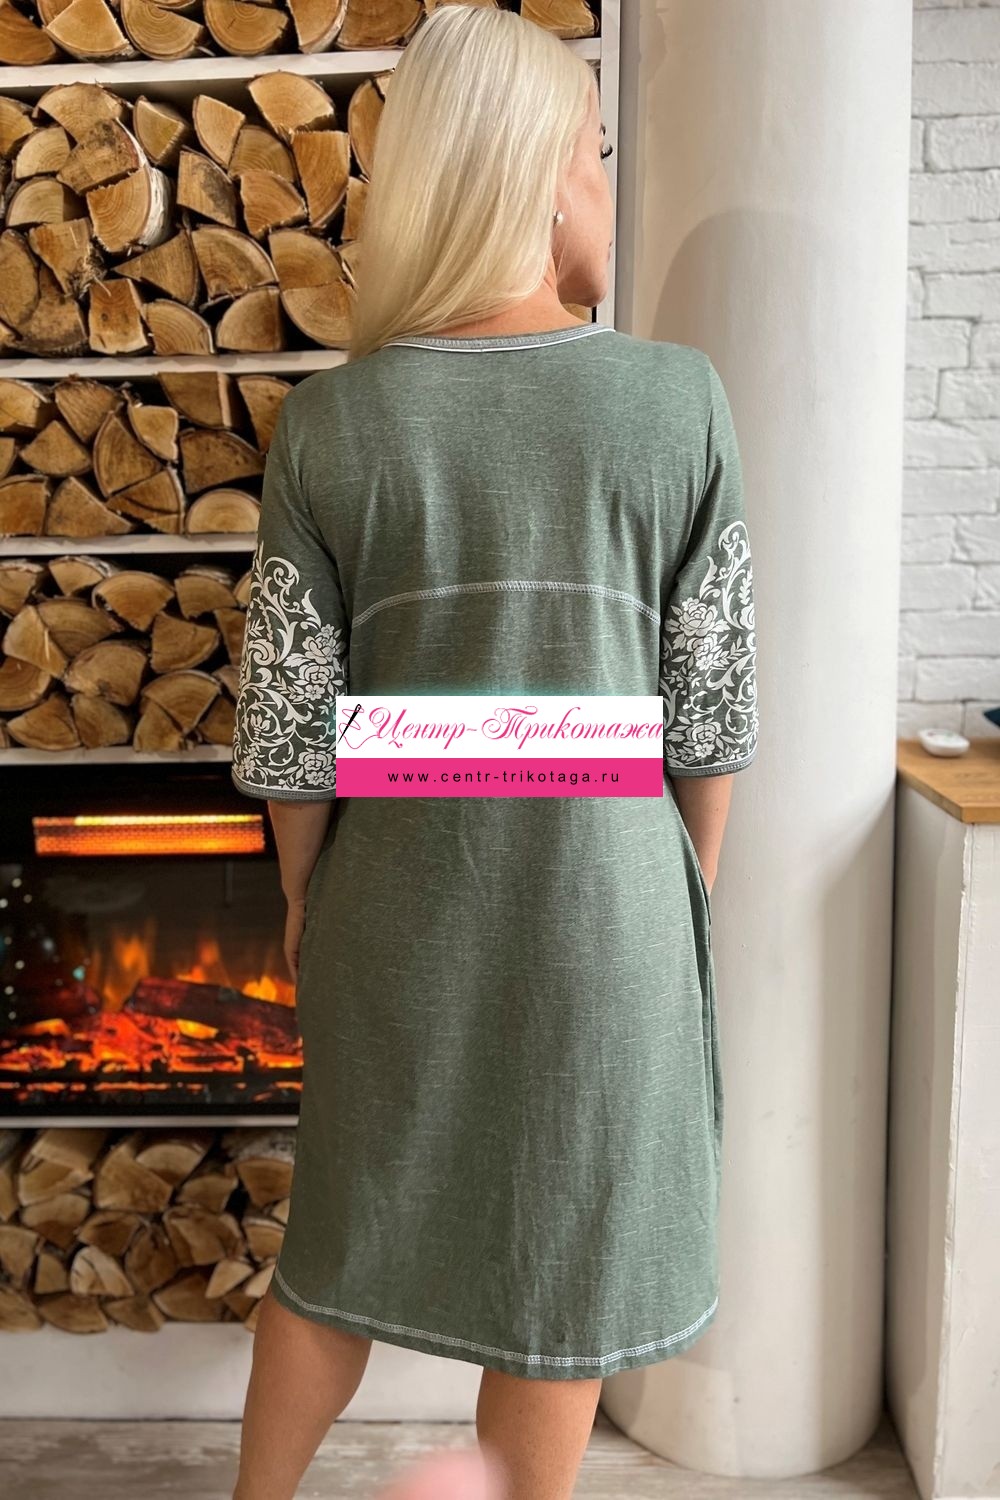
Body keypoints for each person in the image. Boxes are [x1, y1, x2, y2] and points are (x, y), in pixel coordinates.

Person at [229, 6, 759, 1499]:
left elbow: (291, 727)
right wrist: (683, 886)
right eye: (597, 154)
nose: (606, 184)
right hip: (608, 911)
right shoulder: (677, 401)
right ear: (535, 180)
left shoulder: (332, 426)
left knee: (339, 1246)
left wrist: (306, 898)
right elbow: (711, 706)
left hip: (393, 904)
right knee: (559, 1264)